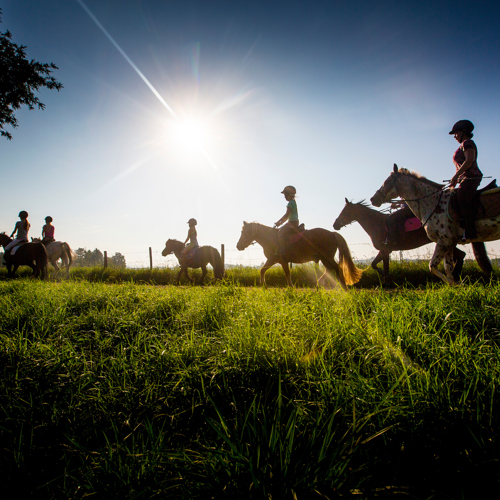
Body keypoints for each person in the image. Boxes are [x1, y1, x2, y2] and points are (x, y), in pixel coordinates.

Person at [449, 119, 483, 240]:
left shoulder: (468, 143)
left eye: (456, 133)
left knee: (461, 197)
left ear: (464, 131)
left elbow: (469, 160)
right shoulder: (463, 145)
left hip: (471, 177)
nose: (455, 137)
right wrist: (456, 179)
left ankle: (470, 231)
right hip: (465, 178)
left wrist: (456, 176)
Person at [275, 185, 299, 255]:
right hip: (294, 222)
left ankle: (283, 249)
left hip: (292, 222)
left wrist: (278, 222)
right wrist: (280, 223)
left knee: (280, 233)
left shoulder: (290, 203)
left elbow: (286, 215)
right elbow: (287, 217)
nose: (284, 196)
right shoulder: (293, 202)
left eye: (285, 195)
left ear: (289, 194)